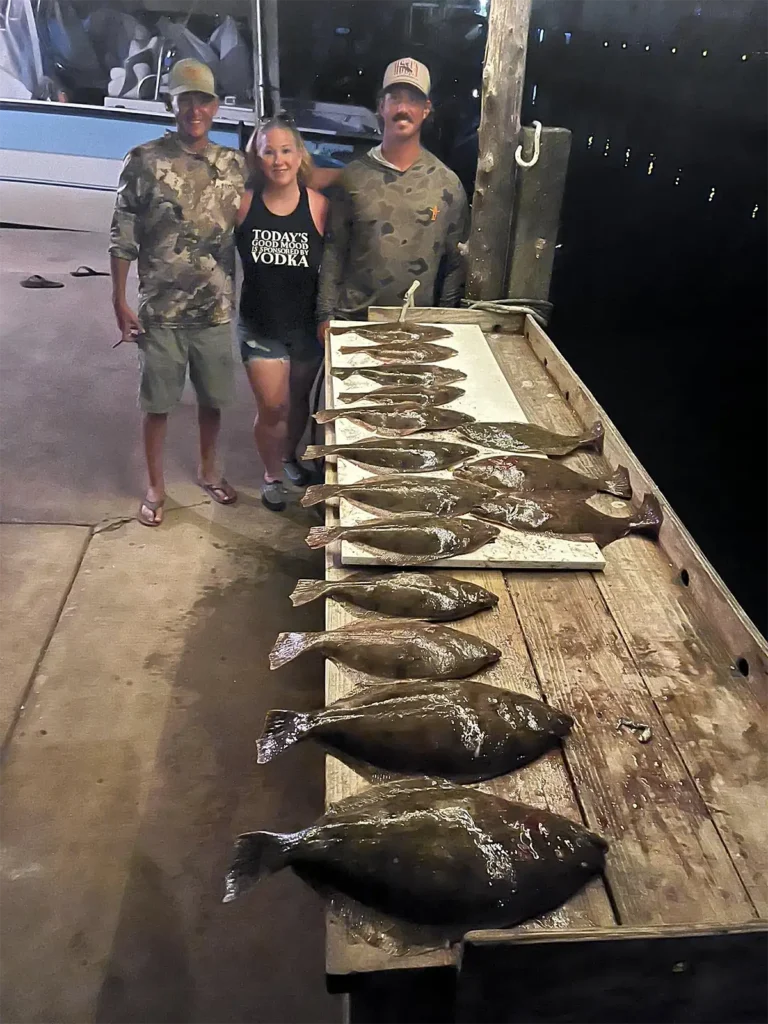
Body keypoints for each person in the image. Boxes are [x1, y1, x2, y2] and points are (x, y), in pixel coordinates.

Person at [109, 58, 246, 527]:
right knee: (158, 405)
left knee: (212, 400)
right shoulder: (144, 160)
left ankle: (209, 470)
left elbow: (279, 194)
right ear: (173, 103)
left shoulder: (233, 164)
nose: (195, 109)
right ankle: (154, 484)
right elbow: (122, 233)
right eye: (186, 99)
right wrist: (119, 298)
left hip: (214, 309)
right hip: (160, 313)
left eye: (203, 100)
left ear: (216, 106)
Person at [317, 57, 470, 333]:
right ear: (381, 107)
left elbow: (454, 266)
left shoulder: (447, 185)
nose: (402, 109)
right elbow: (334, 251)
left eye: (412, 100)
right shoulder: (352, 177)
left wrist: (450, 324)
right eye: (395, 98)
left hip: (417, 328)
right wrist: (325, 315)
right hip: (354, 324)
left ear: (426, 110)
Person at [235, 118, 328, 511]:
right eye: (268, 151)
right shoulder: (242, 205)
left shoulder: (319, 206)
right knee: (273, 406)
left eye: (286, 150)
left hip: (305, 325)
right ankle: (271, 474)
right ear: (257, 158)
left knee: (298, 399)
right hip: (260, 324)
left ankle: (289, 457)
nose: (278, 159)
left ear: (299, 155)